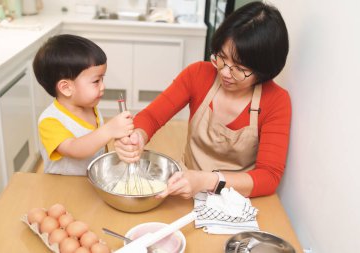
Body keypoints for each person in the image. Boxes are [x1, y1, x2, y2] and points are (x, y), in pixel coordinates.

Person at [114, 1, 291, 198]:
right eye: (222, 57)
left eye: (240, 69)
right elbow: (152, 116)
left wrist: (206, 181)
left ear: (264, 71)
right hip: (185, 191)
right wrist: (138, 136)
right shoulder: (198, 74)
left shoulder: (276, 101)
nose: (224, 72)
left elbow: (269, 177)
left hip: (239, 199)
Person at [33, 34, 134, 176]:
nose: (103, 86)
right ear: (66, 88)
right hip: (62, 188)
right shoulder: (50, 121)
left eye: (102, 79)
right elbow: (75, 149)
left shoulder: (91, 108)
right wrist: (109, 130)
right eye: (96, 81)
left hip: (90, 182)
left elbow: (98, 147)